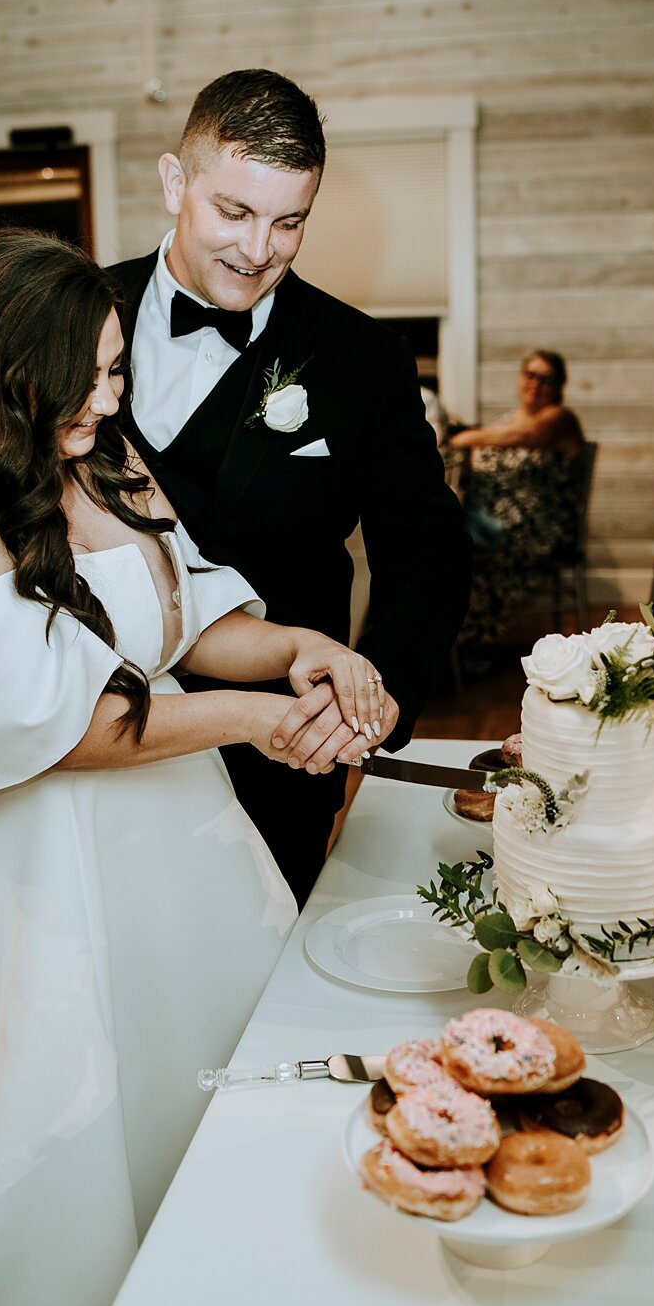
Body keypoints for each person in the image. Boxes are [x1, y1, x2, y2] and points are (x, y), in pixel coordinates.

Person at [0, 229, 384, 1306]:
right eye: (83, 373)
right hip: (14, 877)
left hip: (178, 846)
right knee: (45, 1144)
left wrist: (307, 649)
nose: (108, 397)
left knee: (201, 1119)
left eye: (116, 367)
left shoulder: (105, 458)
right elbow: (58, 729)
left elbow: (191, 614)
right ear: (0, 366)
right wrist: (254, 721)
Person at [108, 69, 470, 906]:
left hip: (284, 743)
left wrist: (371, 699)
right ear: (176, 183)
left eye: (289, 221)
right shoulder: (74, 316)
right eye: (234, 212)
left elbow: (427, 551)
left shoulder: (362, 361)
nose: (258, 249)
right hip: (99, 740)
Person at [450, 349, 586, 674]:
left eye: (546, 379)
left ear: (558, 386)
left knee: (466, 554)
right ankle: (450, 649)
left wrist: (464, 437)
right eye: (530, 375)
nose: (535, 384)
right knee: (449, 543)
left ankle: (474, 648)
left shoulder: (559, 418)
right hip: (497, 524)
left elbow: (524, 438)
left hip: (538, 531)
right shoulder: (508, 419)